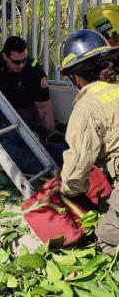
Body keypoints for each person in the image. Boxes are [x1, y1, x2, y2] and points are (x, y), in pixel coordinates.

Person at [58, 29, 119, 255]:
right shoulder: (115, 90)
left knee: (106, 240)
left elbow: (77, 167)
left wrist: (68, 190)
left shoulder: (88, 106)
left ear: (75, 76)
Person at [0, 36, 55, 133]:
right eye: (17, 62)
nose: (21, 65)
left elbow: (44, 108)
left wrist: (49, 132)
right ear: (5, 56)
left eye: (24, 60)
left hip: (23, 110)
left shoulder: (34, 71)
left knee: (19, 136)